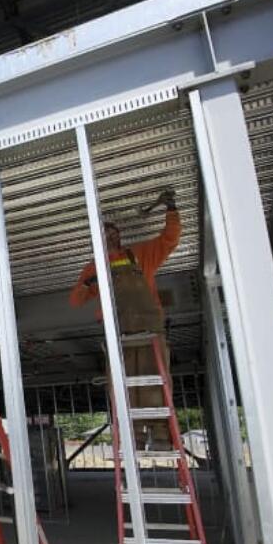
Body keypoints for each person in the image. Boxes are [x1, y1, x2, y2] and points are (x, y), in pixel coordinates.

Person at [69, 189, 180, 448]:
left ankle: (161, 434)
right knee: (124, 383)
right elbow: (75, 301)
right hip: (118, 330)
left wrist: (172, 209)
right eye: (104, 233)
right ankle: (135, 435)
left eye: (113, 232)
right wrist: (88, 283)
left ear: (119, 236)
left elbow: (170, 240)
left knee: (155, 377)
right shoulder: (93, 268)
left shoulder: (140, 254)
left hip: (150, 327)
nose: (109, 236)